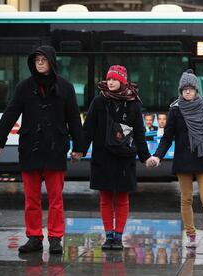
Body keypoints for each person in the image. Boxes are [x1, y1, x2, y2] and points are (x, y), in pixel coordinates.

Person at [0, 45, 83, 254]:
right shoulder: (24, 87)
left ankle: (56, 238)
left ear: (51, 61)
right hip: (30, 148)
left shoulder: (65, 87)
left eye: (43, 59)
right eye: (36, 60)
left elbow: (74, 118)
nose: (40, 63)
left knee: (56, 199)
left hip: (55, 149)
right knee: (31, 199)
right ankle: (34, 237)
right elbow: (10, 114)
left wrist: (78, 147)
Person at [147, 69, 203, 248]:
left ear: (196, 90)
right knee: (186, 199)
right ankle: (191, 235)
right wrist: (157, 156)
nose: (187, 91)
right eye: (184, 89)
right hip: (184, 160)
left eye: (190, 88)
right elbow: (167, 137)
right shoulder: (175, 110)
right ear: (181, 91)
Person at [82, 65, 152, 250]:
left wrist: (145, 157)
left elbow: (139, 133)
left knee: (122, 199)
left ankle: (119, 237)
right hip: (102, 157)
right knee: (105, 198)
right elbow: (88, 129)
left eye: (114, 79)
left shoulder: (133, 103)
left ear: (122, 81)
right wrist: (79, 150)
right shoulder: (99, 102)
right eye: (109, 79)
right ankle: (108, 236)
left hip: (124, 158)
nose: (111, 82)